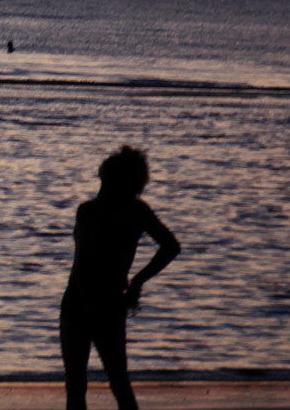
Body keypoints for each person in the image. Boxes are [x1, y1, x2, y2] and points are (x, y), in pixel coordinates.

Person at [60, 145, 180, 410]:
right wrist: (137, 281)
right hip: (105, 301)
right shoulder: (136, 212)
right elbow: (171, 247)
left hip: (86, 302)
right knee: (116, 381)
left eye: (104, 180)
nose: (100, 185)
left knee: (80, 385)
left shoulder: (90, 211)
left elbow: (83, 265)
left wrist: (135, 282)